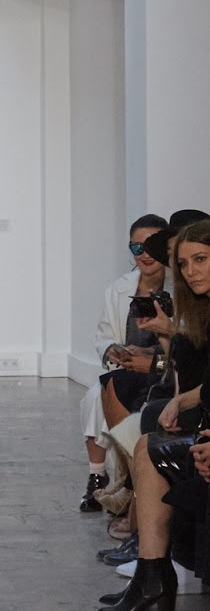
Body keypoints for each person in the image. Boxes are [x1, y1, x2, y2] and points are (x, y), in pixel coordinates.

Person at [97, 220, 210, 611]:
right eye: (184, 263)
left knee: (150, 438)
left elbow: (185, 375)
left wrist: (178, 396)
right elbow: (189, 371)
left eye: (200, 259)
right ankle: (151, 571)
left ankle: (153, 574)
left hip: (189, 411)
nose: (191, 271)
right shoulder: (197, 309)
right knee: (139, 426)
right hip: (184, 405)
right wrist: (167, 338)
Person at [78, 215, 170, 511]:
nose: (144, 254)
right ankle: (98, 476)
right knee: (95, 395)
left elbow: (186, 353)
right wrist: (113, 351)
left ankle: (132, 486)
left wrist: (152, 363)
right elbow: (103, 334)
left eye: (151, 245)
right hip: (126, 369)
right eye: (136, 247)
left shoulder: (182, 290)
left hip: (163, 371)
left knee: (113, 389)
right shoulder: (118, 289)